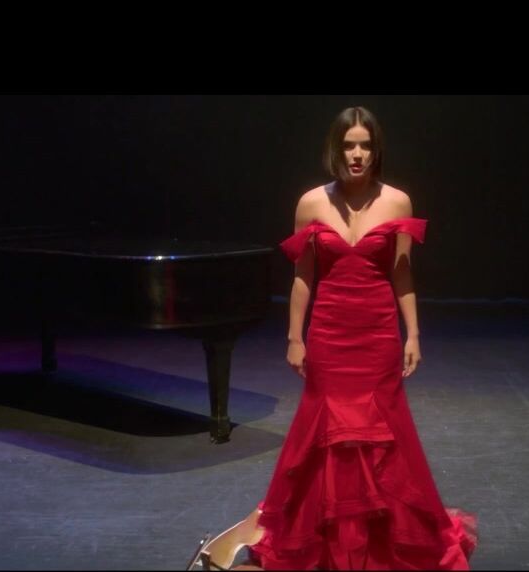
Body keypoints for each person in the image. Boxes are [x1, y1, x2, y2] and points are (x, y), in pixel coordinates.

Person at [193, 107, 476, 570]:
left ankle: (382, 546)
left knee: (384, 438)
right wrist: (294, 336)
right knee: (323, 437)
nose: (357, 154)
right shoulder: (311, 204)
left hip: (378, 335)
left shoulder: (398, 202)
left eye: (365, 145)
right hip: (329, 335)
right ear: (335, 150)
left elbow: (402, 274)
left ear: (376, 150)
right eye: (349, 145)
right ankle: (324, 545)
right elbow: (303, 276)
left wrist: (413, 334)